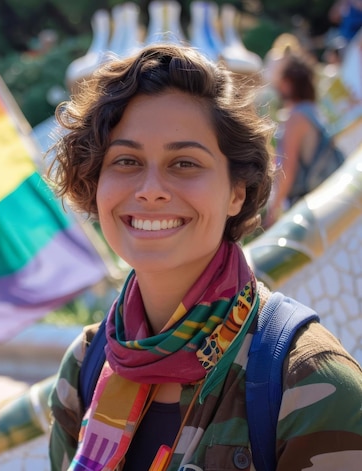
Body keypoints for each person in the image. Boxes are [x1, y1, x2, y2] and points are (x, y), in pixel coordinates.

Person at [46, 44, 362, 470]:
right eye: (126, 160)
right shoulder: (87, 363)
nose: (150, 189)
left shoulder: (309, 384)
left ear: (237, 191)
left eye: (184, 163)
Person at [266, 50, 345, 226]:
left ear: (289, 83)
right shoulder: (313, 110)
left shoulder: (297, 117)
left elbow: (289, 166)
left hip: (310, 208)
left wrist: (273, 210)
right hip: (325, 199)